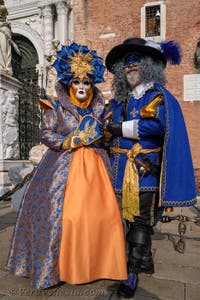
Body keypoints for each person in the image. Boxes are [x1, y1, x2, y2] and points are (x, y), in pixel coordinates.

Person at [7, 42, 127, 289]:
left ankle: (100, 263)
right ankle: (59, 267)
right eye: (76, 82)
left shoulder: (101, 109)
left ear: (92, 84)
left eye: (86, 82)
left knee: (102, 216)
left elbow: (106, 137)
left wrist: (101, 135)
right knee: (65, 217)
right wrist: (66, 141)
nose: (82, 87)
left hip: (96, 170)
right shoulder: (56, 107)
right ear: (68, 83)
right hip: (60, 168)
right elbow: (45, 132)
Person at [105, 37, 197, 298]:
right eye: (126, 63)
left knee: (141, 223)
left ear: (148, 66)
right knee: (124, 221)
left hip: (144, 172)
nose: (130, 67)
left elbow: (158, 126)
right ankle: (143, 260)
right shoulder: (120, 100)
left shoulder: (157, 96)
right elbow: (104, 126)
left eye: (136, 62)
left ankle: (131, 273)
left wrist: (120, 128)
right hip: (118, 171)